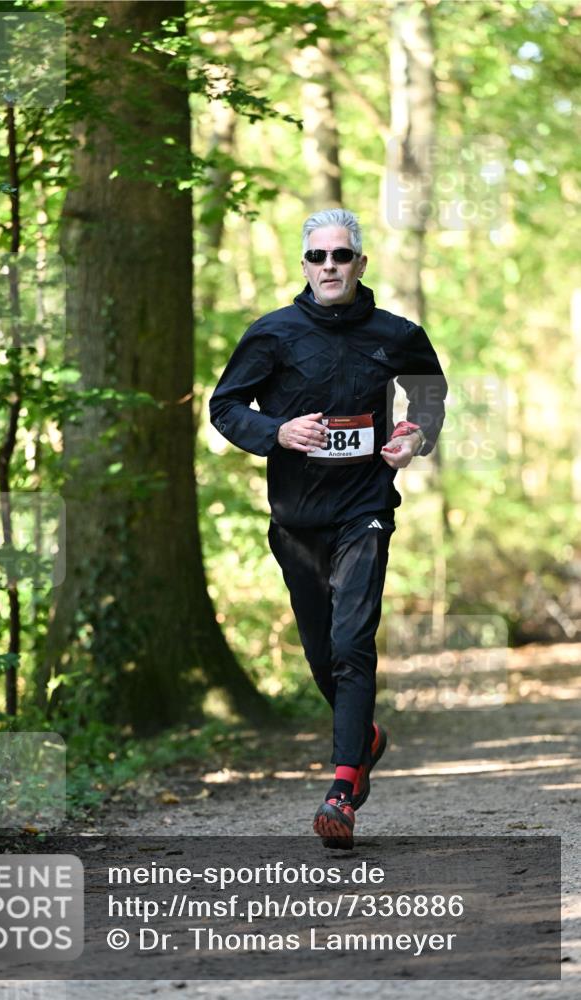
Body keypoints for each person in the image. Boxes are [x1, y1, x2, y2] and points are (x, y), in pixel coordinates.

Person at [209, 208, 447, 848]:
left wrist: (415, 433)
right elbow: (224, 406)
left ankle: (343, 788)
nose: (330, 266)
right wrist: (277, 432)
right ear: (306, 265)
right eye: (318, 257)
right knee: (322, 651)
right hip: (296, 519)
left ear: (360, 264)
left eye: (342, 255)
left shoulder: (395, 333)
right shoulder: (273, 334)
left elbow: (429, 393)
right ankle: (364, 737)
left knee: (351, 641)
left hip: (365, 507)